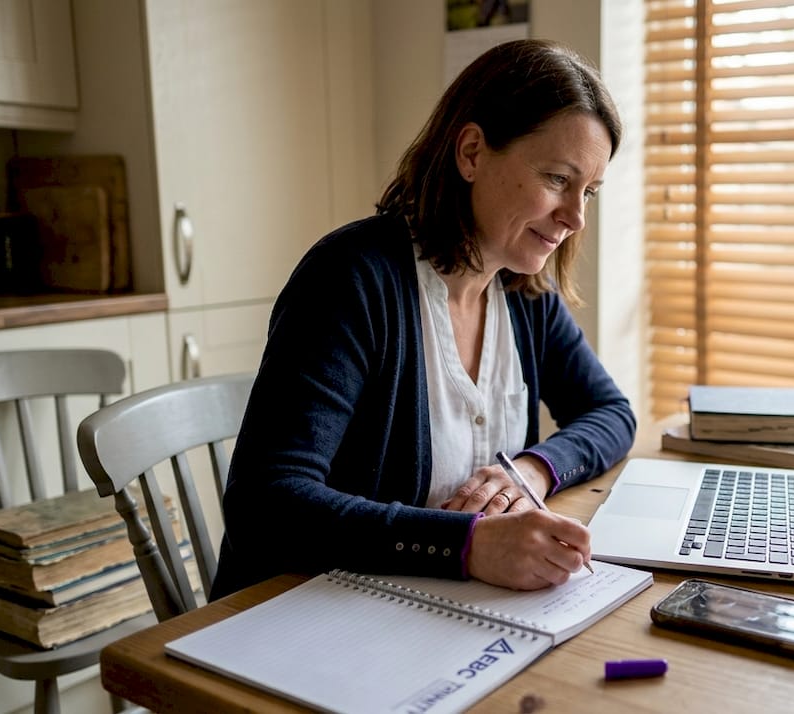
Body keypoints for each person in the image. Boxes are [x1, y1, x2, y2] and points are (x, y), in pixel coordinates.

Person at [209, 39, 635, 598]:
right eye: (558, 179)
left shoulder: (525, 294)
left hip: (430, 606)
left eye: (590, 192)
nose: (576, 217)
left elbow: (611, 412)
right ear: (472, 152)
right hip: (298, 613)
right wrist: (468, 543)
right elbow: (265, 503)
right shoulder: (351, 279)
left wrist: (533, 469)